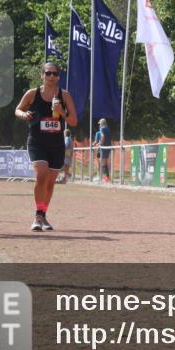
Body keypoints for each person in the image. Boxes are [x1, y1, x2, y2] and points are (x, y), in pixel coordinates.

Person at [15, 62, 78, 231]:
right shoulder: (32, 94)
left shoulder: (64, 96)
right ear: (42, 75)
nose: (51, 77)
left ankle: (42, 215)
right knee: (41, 176)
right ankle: (37, 215)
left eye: (54, 74)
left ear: (58, 76)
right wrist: (24, 114)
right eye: (48, 73)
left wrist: (61, 111)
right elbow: (18, 109)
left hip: (56, 145)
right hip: (37, 142)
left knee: (50, 183)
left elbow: (73, 121)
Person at [92, 118, 112, 183]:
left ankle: (106, 177)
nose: (99, 125)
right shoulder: (108, 129)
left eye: (100, 123)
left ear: (102, 123)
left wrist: (100, 143)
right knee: (104, 163)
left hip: (103, 148)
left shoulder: (102, 129)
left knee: (103, 163)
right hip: (108, 147)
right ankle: (106, 177)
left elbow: (103, 136)